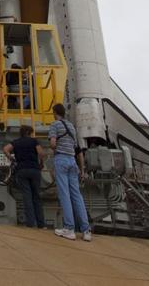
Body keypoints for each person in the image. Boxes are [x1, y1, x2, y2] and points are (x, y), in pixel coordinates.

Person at [48, 102, 91, 241]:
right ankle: (86, 231)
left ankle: (69, 228)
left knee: (64, 195)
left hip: (61, 160)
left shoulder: (55, 125)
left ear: (55, 113)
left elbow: (53, 143)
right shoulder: (71, 126)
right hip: (73, 162)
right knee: (77, 196)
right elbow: (76, 147)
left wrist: (54, 149)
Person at [3, 124, 46, 229]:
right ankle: (41, 224)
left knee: (27, 197)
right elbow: (41, 153)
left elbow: (5, 149)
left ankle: (30, 223)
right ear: (28, 133)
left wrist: (11, 158)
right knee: (36, 197)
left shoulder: (16, 142)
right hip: (34, 170)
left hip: (21, 170)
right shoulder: (34, 141)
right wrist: (41, 163)